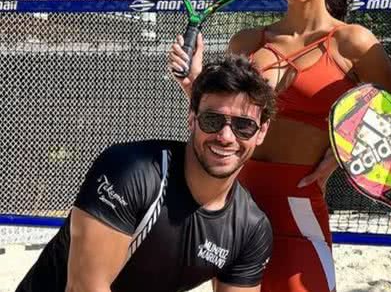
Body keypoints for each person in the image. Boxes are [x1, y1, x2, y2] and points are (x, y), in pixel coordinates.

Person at [168, 0, 391, 292]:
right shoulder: (247, 41)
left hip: (299, 206)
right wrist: (194, 82)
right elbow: (221, 119)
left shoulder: (353, 43)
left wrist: (344, 150)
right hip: (235, 201)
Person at [17, 56, 276, 292]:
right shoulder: (130, 171)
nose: (225, 137)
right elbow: (84, 288)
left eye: (244, 126)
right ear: (192, 119)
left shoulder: (251, 228)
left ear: (262, 132)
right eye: (212, 121)